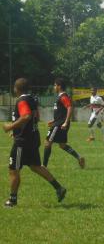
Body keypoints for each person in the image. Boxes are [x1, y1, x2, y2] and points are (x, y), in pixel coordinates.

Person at [3, 78, 67, 208]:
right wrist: (17, 130)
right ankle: (59, 188)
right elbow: (35, 116)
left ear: (16, 89)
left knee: (13, 169)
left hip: (23, 142)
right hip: (32, 138)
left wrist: (10, 127)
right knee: (35, 166)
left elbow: (26, 116)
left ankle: (12, 200)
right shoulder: (32, 99)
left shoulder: (22, 100)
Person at [43, 78, 85, 169]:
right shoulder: (60, 96)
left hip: (60, 124)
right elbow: (61, 112)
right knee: (62, 145)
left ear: (59, 86)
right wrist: (54, 121)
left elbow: (69, 107)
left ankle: (44, 166)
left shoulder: (63, 96)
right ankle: (79, 157)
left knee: (47, 142)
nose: (54, 87)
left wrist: (65, 122)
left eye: (55, 85)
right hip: (59, 123)